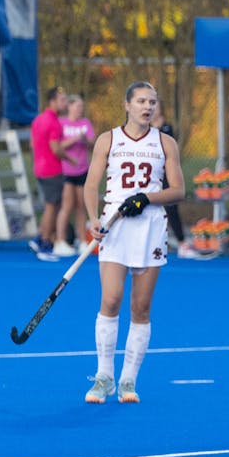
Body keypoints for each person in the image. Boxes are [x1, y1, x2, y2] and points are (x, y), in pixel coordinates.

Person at [82, 81, 186, 403]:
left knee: (140, 307)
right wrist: (93, 219)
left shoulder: (165, 143)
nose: (147, 107)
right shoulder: (107, 140)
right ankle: (104, 377)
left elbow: (179, 191)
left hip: (150, 228)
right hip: (115, 228)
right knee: (111, 300)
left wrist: (147, 197)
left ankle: (128, 380)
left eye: (152, 102)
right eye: (141, 101)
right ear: (127, 104)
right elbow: (90, 185)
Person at [29, 86, 71, 261]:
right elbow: (55, 148)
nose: (65, 103)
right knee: (52, 207)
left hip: (40, 168)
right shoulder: (53, 122)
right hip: (52, 169)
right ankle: (45, 243)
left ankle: (40, 238)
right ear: (52, 101)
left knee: (50, 205)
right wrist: (70, 159)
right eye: (62, 99)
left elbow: (32, 145)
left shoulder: (38, 119)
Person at [149, 101, 194, 259]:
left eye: (155, 106)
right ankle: (152, 243)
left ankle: (182, 243)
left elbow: (164, 146)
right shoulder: (143, 129)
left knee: (171, 208)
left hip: (166, 174)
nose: (152, 110)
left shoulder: (166, 127)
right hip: (150, 175)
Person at [54, 94, 95, 257]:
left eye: (81, 107)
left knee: (81, 206)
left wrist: (85, 140)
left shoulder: (85, 123)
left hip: (82, 169)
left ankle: (82, 240)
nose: (79, 110)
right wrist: (74, 139)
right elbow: (58, 145)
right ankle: (60, 240)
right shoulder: (62, 123)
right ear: (69, 107)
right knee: (66, 205)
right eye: (77, 106)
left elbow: (93, 142)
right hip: (66, 171)